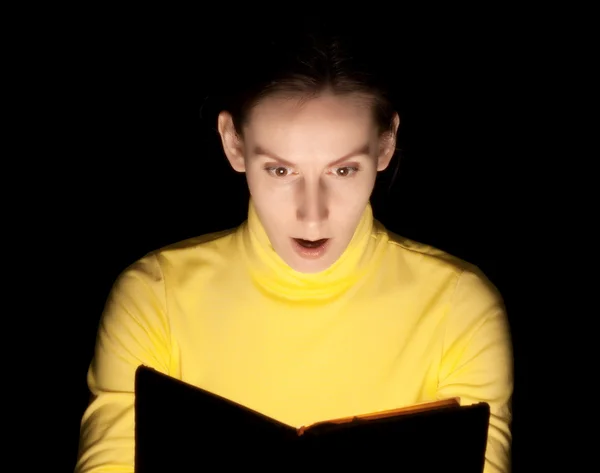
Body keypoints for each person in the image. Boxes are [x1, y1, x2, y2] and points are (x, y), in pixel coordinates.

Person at [75, 24, 513, 473]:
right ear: (233, 143)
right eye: (280, 171)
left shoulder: (460, 306)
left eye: (343, 171)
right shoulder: (154, 298)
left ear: (385, 147)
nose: (311, 215)